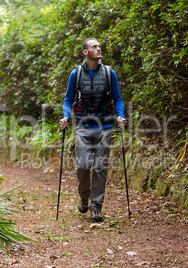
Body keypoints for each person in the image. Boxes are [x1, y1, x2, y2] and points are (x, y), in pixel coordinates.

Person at [59, 38, 126, 222]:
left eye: (99, 46)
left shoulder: (109, 73)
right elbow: (68, 99)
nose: (98, 48)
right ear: (85, 52)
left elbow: (117, 98)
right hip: (82, 126)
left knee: (100, 168)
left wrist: (120, 115)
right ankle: (83, 197)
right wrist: (66, 116)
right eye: (94, 46)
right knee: (82, 166)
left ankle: (96, 207)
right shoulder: (76, 74)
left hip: (104, 126)